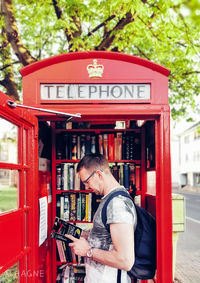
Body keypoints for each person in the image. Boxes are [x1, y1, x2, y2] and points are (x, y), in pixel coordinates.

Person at [66, 153, 137, 283]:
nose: (86, 187)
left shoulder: (117, 204)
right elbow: (107, 237)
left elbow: (125, 260)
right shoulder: (109, 199)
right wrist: (86, 235)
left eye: (86, 182)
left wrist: (88, 250)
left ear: (98, 174)